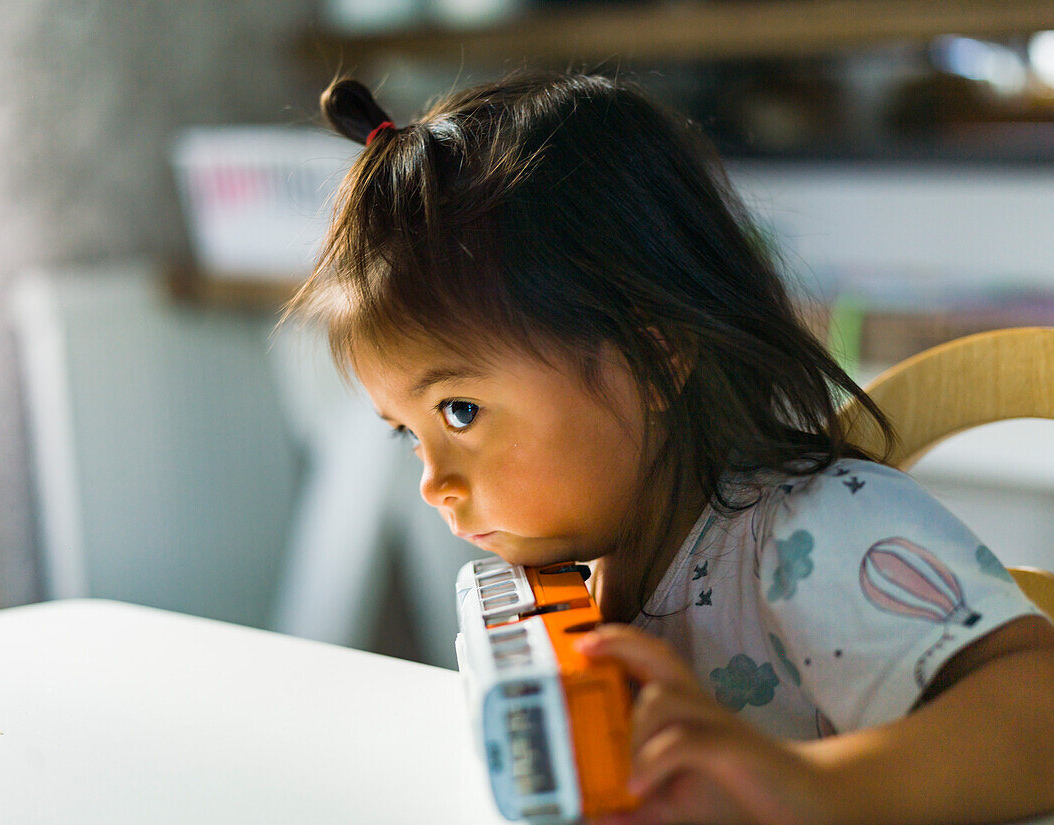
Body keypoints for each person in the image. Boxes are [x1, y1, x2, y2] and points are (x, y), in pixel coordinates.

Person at [283, 71, 1054, 825]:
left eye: (460, 410)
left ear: (656, 359)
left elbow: (1038, 709)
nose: (433, 483)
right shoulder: (604, 551)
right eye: (406, 433)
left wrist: (805, 787)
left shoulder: (804, 537)